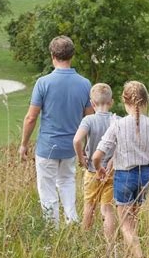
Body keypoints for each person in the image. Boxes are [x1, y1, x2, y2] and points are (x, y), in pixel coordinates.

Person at [92, 81, 149, 258]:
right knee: (133, 220)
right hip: (145, 176)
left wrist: (99, 168)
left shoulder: (118, 124)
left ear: (124, 101)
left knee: (126, 225)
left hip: (124, 176)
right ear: (146, 102)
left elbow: (97, 156)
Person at [19, 36, 94, 226]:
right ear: (72, 56)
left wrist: (24, 144)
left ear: (53, 55)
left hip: (47, 147)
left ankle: (52, 228)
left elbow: (31, 117)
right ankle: (72, 222)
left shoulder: (43, 83)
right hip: (71, 147)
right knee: (67, 183)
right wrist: (86, 147)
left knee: (47, 189)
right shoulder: (85, 84)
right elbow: (90, 117)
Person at [73, 83, 118, 245]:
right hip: (111, 172)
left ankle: (85, 241)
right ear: (111, 102)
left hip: (92, 171)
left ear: (92, 103)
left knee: (89, 206)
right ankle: (109, 244)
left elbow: (77, 140)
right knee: (107, 209)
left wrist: (81, 158)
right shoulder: (117, 121)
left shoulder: (89, 120)